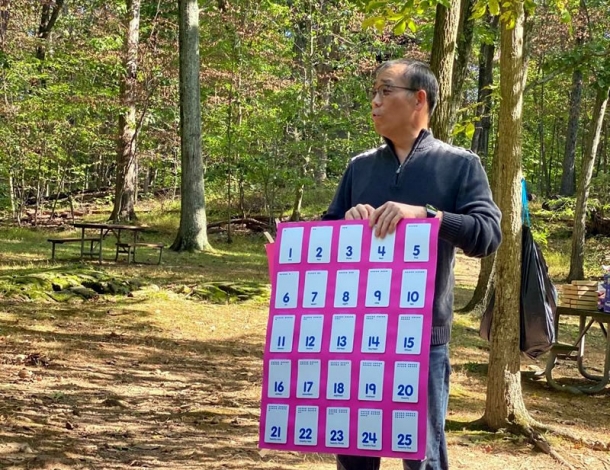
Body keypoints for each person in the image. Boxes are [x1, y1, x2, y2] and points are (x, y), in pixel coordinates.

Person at [322, 58, 502, 470]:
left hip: (423, 342)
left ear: (419, 99)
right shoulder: (360, 167)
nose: (375, 101)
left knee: (422, 456)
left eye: (385, 90)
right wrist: (345, 223)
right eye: (373, 91)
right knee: (353, 453)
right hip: (355, 337)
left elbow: (488, 234)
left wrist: (430, 216)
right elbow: (327, 234)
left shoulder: (459, 165)